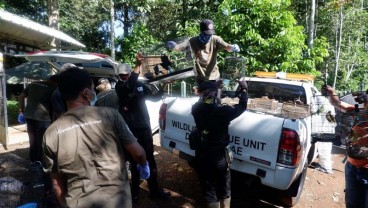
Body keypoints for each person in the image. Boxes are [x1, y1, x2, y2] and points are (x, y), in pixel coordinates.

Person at [42, 67, 150, 208]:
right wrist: (143, 165)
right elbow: (139, 153)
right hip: (117, 201)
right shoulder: (110, 115)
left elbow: (56, 183)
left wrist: (66, 203)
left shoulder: (51, 132)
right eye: (92, 88)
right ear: (87, 93)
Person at [115, 53, 171, 202]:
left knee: (150, 159)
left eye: (126, 74)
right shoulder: (119, 87)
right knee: (134, 161)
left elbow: (154, 97)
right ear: (118, 76)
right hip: (131, 129)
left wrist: (164, 85)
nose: (125, 77)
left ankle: (154, 191)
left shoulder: (139, 85)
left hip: (144, 128)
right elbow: (130, 85)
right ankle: (134, 193)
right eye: (122, 75)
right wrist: (138, 65)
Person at [191, 80, 248, 208]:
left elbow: (205, 102)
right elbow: (242, 106)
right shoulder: (223, 112)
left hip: (203, 155)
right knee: (224, 186)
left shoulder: (196, 109)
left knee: (209, 188)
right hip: (220, 157)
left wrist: (213, 88)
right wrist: (243, 90)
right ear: (213, 94)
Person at [323, 85, 368, 208]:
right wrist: (332, 93)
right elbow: (337, 103)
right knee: (352, 204)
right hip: (352, 167)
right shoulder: (358, 112)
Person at [166, 19, 240, 86]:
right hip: (200, 77)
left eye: (210, 33)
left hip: (214, 76)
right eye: (206, 33)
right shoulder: (193, 41)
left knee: (215, 99)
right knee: (203, 99)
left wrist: (232, 47)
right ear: (201, 31)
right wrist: (173, 46)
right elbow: (178, 48)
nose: (209, 35)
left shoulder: (215, 39)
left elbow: (227, 47)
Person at [18, 75, 58, 163]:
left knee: (32, 138)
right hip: (43, 118)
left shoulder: (33, 84)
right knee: (41, 140)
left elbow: (21, 96)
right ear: (56, 82)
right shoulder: (54, 88)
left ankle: (33, 159)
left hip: (29, 116)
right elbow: (55, 104)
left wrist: (21, 110)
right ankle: (40, 161)